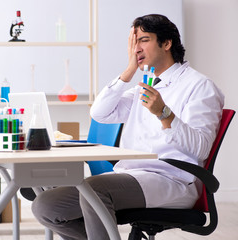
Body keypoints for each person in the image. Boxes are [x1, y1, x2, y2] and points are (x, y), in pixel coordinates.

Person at [31, 14, 224, 240]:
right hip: (132, 174)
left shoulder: (199, 86)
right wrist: (129, 71)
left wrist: (165, 114)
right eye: (133, 42)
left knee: (94, 189)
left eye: (143, 40)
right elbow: (100, 113)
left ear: (167, 43)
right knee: (46, 205)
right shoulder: (146, 85)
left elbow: (200, 149)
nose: (136, 48)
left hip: (172, 179)